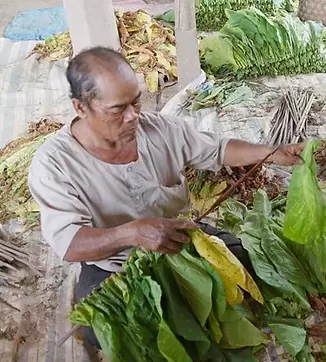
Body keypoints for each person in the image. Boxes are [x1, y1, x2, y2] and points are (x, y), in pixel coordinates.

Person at [27, 46, 303, 349]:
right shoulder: (54, 165)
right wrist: (133, 232)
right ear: (81, 108)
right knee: (105, 329)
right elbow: (70, 243)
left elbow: (218, 149)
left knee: (248, 267)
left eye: (136, 101)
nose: (133, 116)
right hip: (117, 265)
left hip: (181, 239)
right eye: (118, 110)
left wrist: (271, 153)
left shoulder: (160, 128)